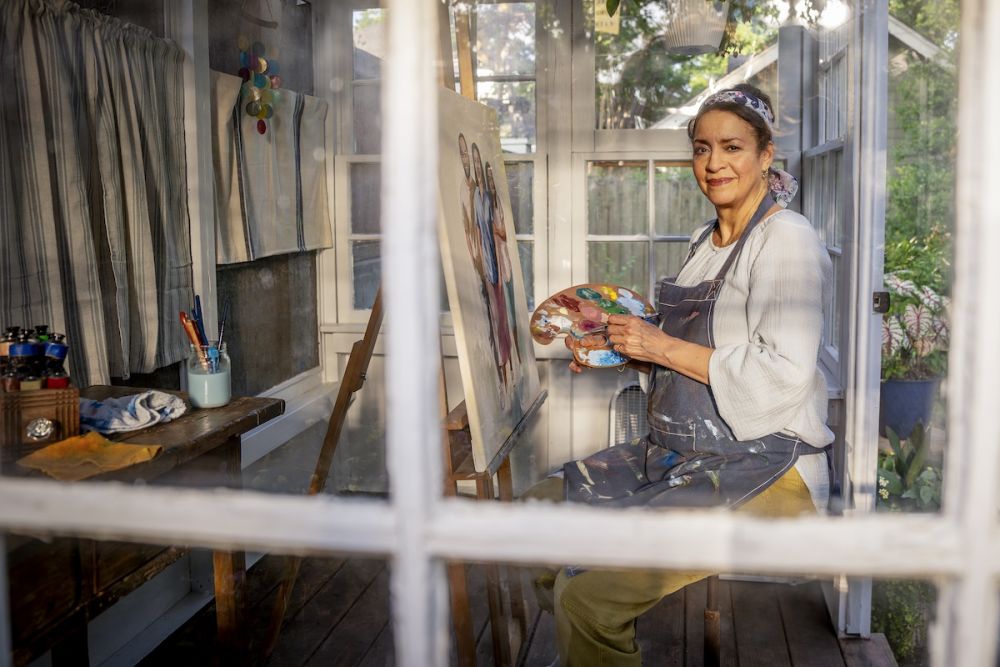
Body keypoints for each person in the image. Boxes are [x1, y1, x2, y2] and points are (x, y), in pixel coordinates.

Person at [527, 83, 834, 667]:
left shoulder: (785, 240)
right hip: (680, 456)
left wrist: (662, 346)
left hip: (765, 466)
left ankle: (588, 633)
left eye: (732, 147)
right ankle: (584, 648)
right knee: (538, 517)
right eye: (701, 148)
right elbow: (684, 360)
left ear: (767, 156)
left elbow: (782, 372)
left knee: (590, 600)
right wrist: (627, 350)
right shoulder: (704, 243)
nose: (714, 163)